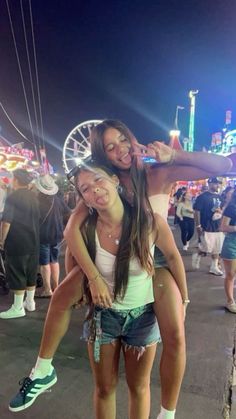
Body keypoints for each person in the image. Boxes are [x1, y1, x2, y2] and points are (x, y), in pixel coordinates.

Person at [10, 120, 231, 419]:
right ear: (103, 156)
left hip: (155, 261)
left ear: (132, 136)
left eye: (122, 140)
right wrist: (88, 276)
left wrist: (174, 155)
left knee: (176, 336)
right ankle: (42, 369)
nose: (120, 150)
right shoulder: (104, 182)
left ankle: (168, 412)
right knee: (64, 294)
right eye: (109, 147)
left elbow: (223, 163)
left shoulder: (159, 171)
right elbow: (73, 229)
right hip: (109, 260)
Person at [9, 163, 187, 419]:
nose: (95, 190)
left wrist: (185, 298)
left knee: (139, 387)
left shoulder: (148, 221)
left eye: (98, 180)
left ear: (114, 180)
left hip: (142, 318)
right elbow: (73, 261)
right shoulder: (85, 228)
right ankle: (43, 369)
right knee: (104, 389)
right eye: (86, 189)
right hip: (105, 319)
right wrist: (87, 288)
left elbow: (172, 256)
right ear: (84, 200)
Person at [0, 169, 39, 318]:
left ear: (15, 179)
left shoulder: (12, 197)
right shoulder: (34, 196)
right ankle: (30, 303)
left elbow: (6, 222)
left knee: (17, 272)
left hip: (18, 241)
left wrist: (2, 240)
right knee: (30, 272)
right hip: (34, 240)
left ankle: (17, 307)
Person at [35, 174, 71, 297]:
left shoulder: (37, 201)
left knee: (44, 263)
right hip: (57, 235)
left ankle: (47, 290)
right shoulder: (58, 200)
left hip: (43, 236)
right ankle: (56, 287)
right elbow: (68, 213)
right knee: (54, 261)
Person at [192, 177, 225, 275]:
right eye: (215, 183)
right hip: (206, 225)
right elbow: (197, 211)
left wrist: (221, 212)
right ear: (210, 184)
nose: (217, 185)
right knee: (206, 247)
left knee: (217, 248)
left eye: (218, 184)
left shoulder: (220, 197)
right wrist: (198, 225)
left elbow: (222, 209)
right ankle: (198, 254)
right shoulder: (202, 197)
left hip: (217, 226)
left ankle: (214, 267)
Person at [220, 189, 236, 313]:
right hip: (232, 244)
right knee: (231, 274)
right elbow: (223, 227)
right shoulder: (231, 207)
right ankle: (230, 301)